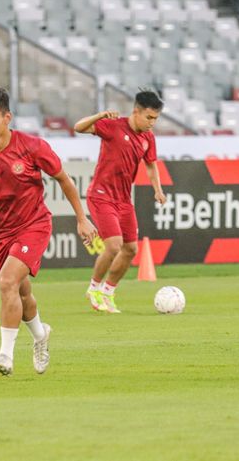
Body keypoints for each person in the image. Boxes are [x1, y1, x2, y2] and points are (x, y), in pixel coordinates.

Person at [0, 88, 97, 376]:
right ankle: (40, 335)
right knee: (21, 292)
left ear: (8, 118)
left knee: (7, 282)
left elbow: (64, 180)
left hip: (34, 224)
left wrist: (82, 218)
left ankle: (5, 355)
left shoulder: (32, 146)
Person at [74, 89, 167, 314]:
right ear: (136, 112)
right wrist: (100, 115)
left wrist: (158, 189)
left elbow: (151, 165)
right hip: (101, 195)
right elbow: (78, 127)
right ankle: (94, 288)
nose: (152, 123)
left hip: (124, 200)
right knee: (114, 245)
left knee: (130, 249)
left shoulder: (147, 138)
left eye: (156, 118)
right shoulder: (113, 126)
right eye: (149, 117)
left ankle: (108, 292)